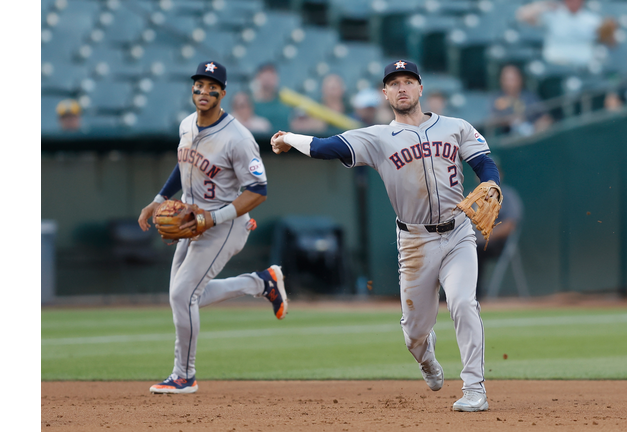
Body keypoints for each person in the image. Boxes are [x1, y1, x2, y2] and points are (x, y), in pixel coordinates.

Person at [270, 60, 501, 412]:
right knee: (414, 333)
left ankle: (474, 388)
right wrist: (288, 138)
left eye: (409, 81)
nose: (402, 87)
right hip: (415, 242)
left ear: (421, 88)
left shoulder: (455, 127)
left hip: (458, 234)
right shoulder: (377, 137)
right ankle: (427, 360)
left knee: (462, 302)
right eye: (395, 83)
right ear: (385, 93)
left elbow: (483, 161)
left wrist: (492, 184)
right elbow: (324, 146)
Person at [137, 60, 289, 395]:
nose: (204, 92)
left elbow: (259, 191)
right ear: (192, 89)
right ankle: (261, 283)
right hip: (192, 222)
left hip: (225, 224)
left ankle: (184, 375)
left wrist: (213, 218)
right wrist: (159, 198)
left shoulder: (238, 138)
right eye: (199, 85)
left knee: (182, 294)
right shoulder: (187, 125)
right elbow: (183, 163)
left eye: (212, 87)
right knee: (186, 295)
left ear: (222, 92)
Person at [516, 0, 616, 68]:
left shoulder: (592, 20)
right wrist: (545, 4)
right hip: (554, 66)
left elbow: (612, 44)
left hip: (582, 67)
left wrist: (610, 32)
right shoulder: (554, 14)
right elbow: (522, 15)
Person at [488, 64, 553, 137]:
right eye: (508, 79)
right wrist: (510, 119)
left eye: (514, 79)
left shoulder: (529, 96)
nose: (511, 83)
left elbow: (544, 116)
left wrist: (537, 128)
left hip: (531, 135)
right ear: (502, 80)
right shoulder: (496, 98)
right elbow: (491, 120)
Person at [250, 62, 293, 131]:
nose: (269, 77)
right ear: (258, 77)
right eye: (265, 73)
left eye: (272, 74)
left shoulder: (287, 101)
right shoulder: (248, 103)